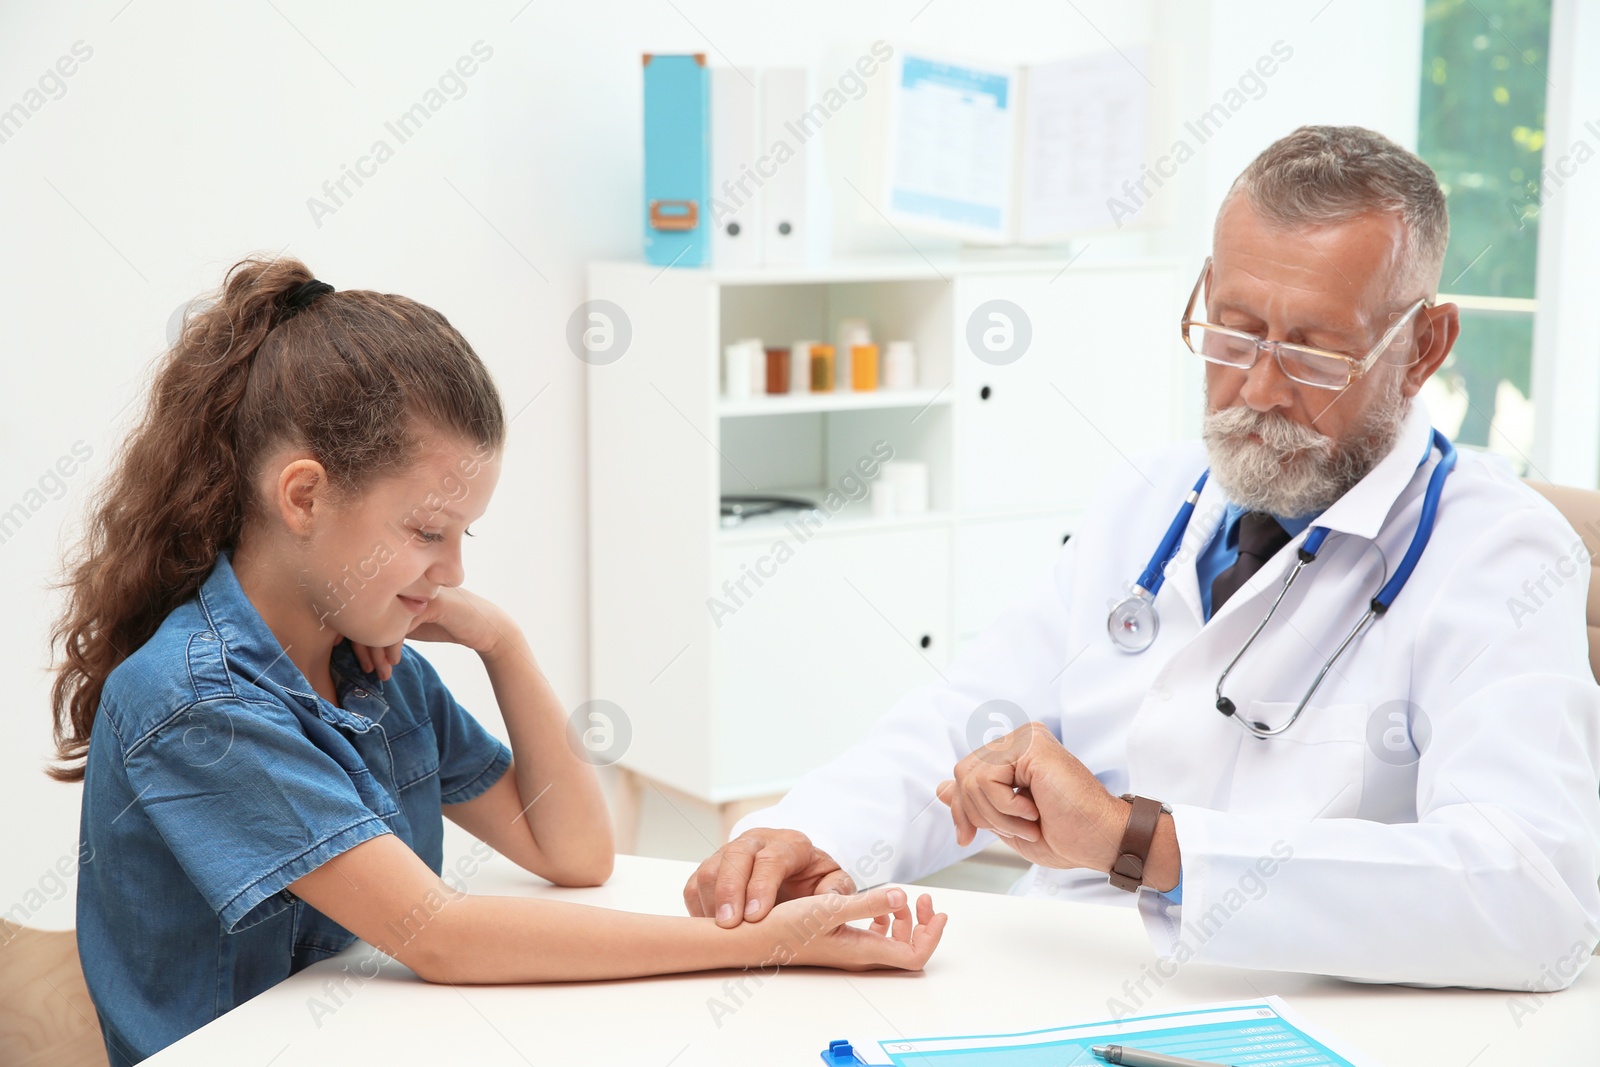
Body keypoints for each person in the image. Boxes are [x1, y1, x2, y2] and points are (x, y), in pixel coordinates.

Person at [685, 126, 1600, 993]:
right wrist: (818, 834)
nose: (1259, 388)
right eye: (1234, 332)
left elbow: (1534, 896)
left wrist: (1144, 843)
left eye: (1316, 355)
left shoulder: (1502, 553)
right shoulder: (1152, 499)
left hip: (1304, 1007)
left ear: (1423, 347)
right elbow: (970, 715)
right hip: (1063, 971)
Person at [54, 257, 946, 1066]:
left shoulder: (372, 667)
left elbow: (576, 850)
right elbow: (439, 935)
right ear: (305, 495)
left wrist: (502, 643)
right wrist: (767, 942)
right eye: (427, 531)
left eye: (464, 534)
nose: (453, 570)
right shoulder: (199, 703)